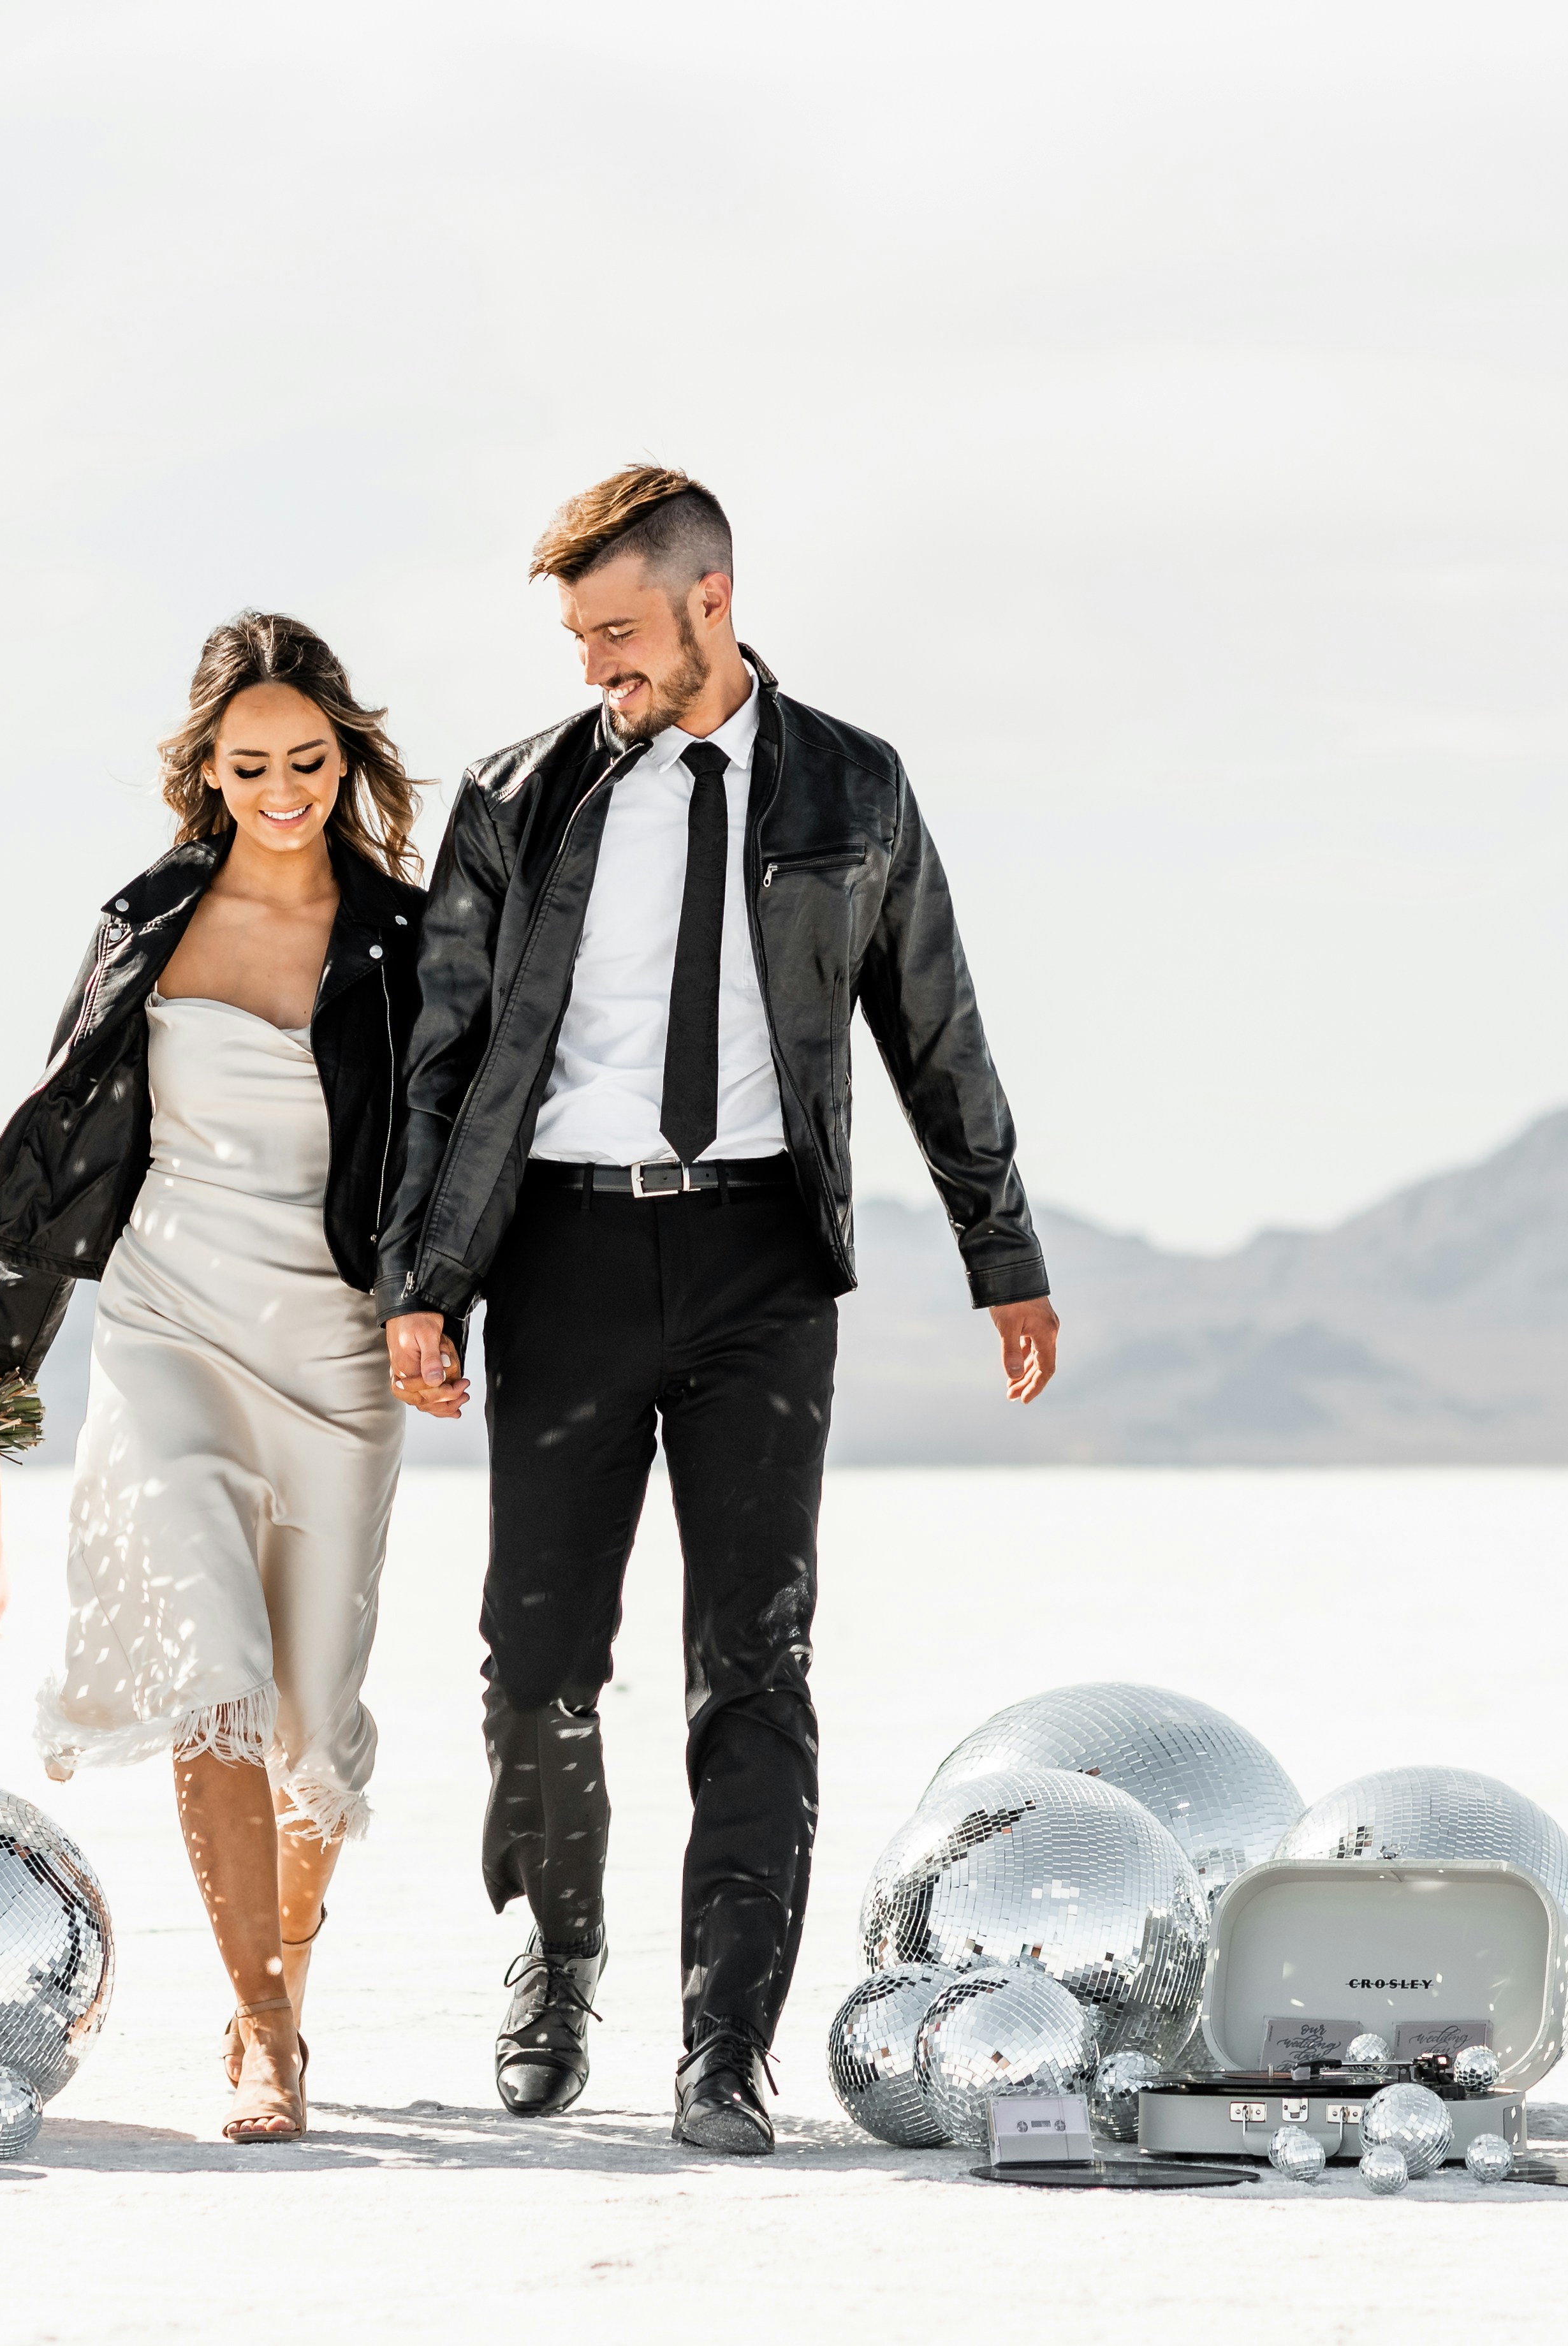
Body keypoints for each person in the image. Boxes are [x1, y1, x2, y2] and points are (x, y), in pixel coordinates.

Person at [380, 468, 1059, 2155]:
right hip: (561, 1255)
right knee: (534, 1658)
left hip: (760, 1259)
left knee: (750, 1664)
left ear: (709, 599)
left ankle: (722, 2043)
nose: (595, 665)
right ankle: (556, 1947)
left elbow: (935, 1027)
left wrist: (1003, 1251)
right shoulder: (518, 796)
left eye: (618, 630)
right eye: (575, 637)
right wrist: (421, 1283)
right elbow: (443, 1061)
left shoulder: (850, 785)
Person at [0, 612, 449, 2144]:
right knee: (213, 1680)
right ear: (205, 771)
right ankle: (266, 2025)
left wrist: (443, 1316)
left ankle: (276, 1973)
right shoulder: (146, 919)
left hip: (339, 1348)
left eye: (307, 759)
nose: (281, 786)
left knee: (309, 1706)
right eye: (250, 763)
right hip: (169, 1325)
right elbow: (72, 1142)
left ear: (343, 757)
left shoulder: (408, 937)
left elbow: (454, 1163)